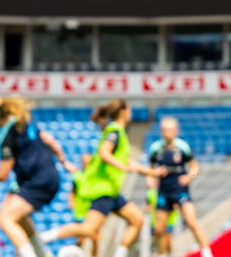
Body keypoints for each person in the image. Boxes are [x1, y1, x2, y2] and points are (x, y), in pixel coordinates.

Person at [38, 99, 150, 257]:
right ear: (123, 112)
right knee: (88, 230)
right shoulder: (114, 131)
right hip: (102, 189)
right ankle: (42, 238)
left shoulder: (119, 133)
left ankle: (120, 253)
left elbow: (127, 161)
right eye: (129, 110)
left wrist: (150, 172)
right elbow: (105, 153)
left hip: (112, 191)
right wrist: (121, 166)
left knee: (137, 220)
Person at [0, 96, 76, 257]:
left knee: (5, 218)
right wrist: (64, 161)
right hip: (48, 178)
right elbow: (52, 142)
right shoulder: (27, 125)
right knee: (20, 219)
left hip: (37, 181)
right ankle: (42, 254)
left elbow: (2, 175)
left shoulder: (9, 136)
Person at [145, 117, 214, 257]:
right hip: (163, 191)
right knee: (159, 229)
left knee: (192, 222)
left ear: (176, 131)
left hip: (180, 191)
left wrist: (189, 177)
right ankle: (161, 253)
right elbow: (150, 169)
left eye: (170, 130)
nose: (167, 133)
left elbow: (195, 167)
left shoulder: (183, 147)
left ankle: (207, 252)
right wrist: (150, 178)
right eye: (164, 130)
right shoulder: (155, 148)